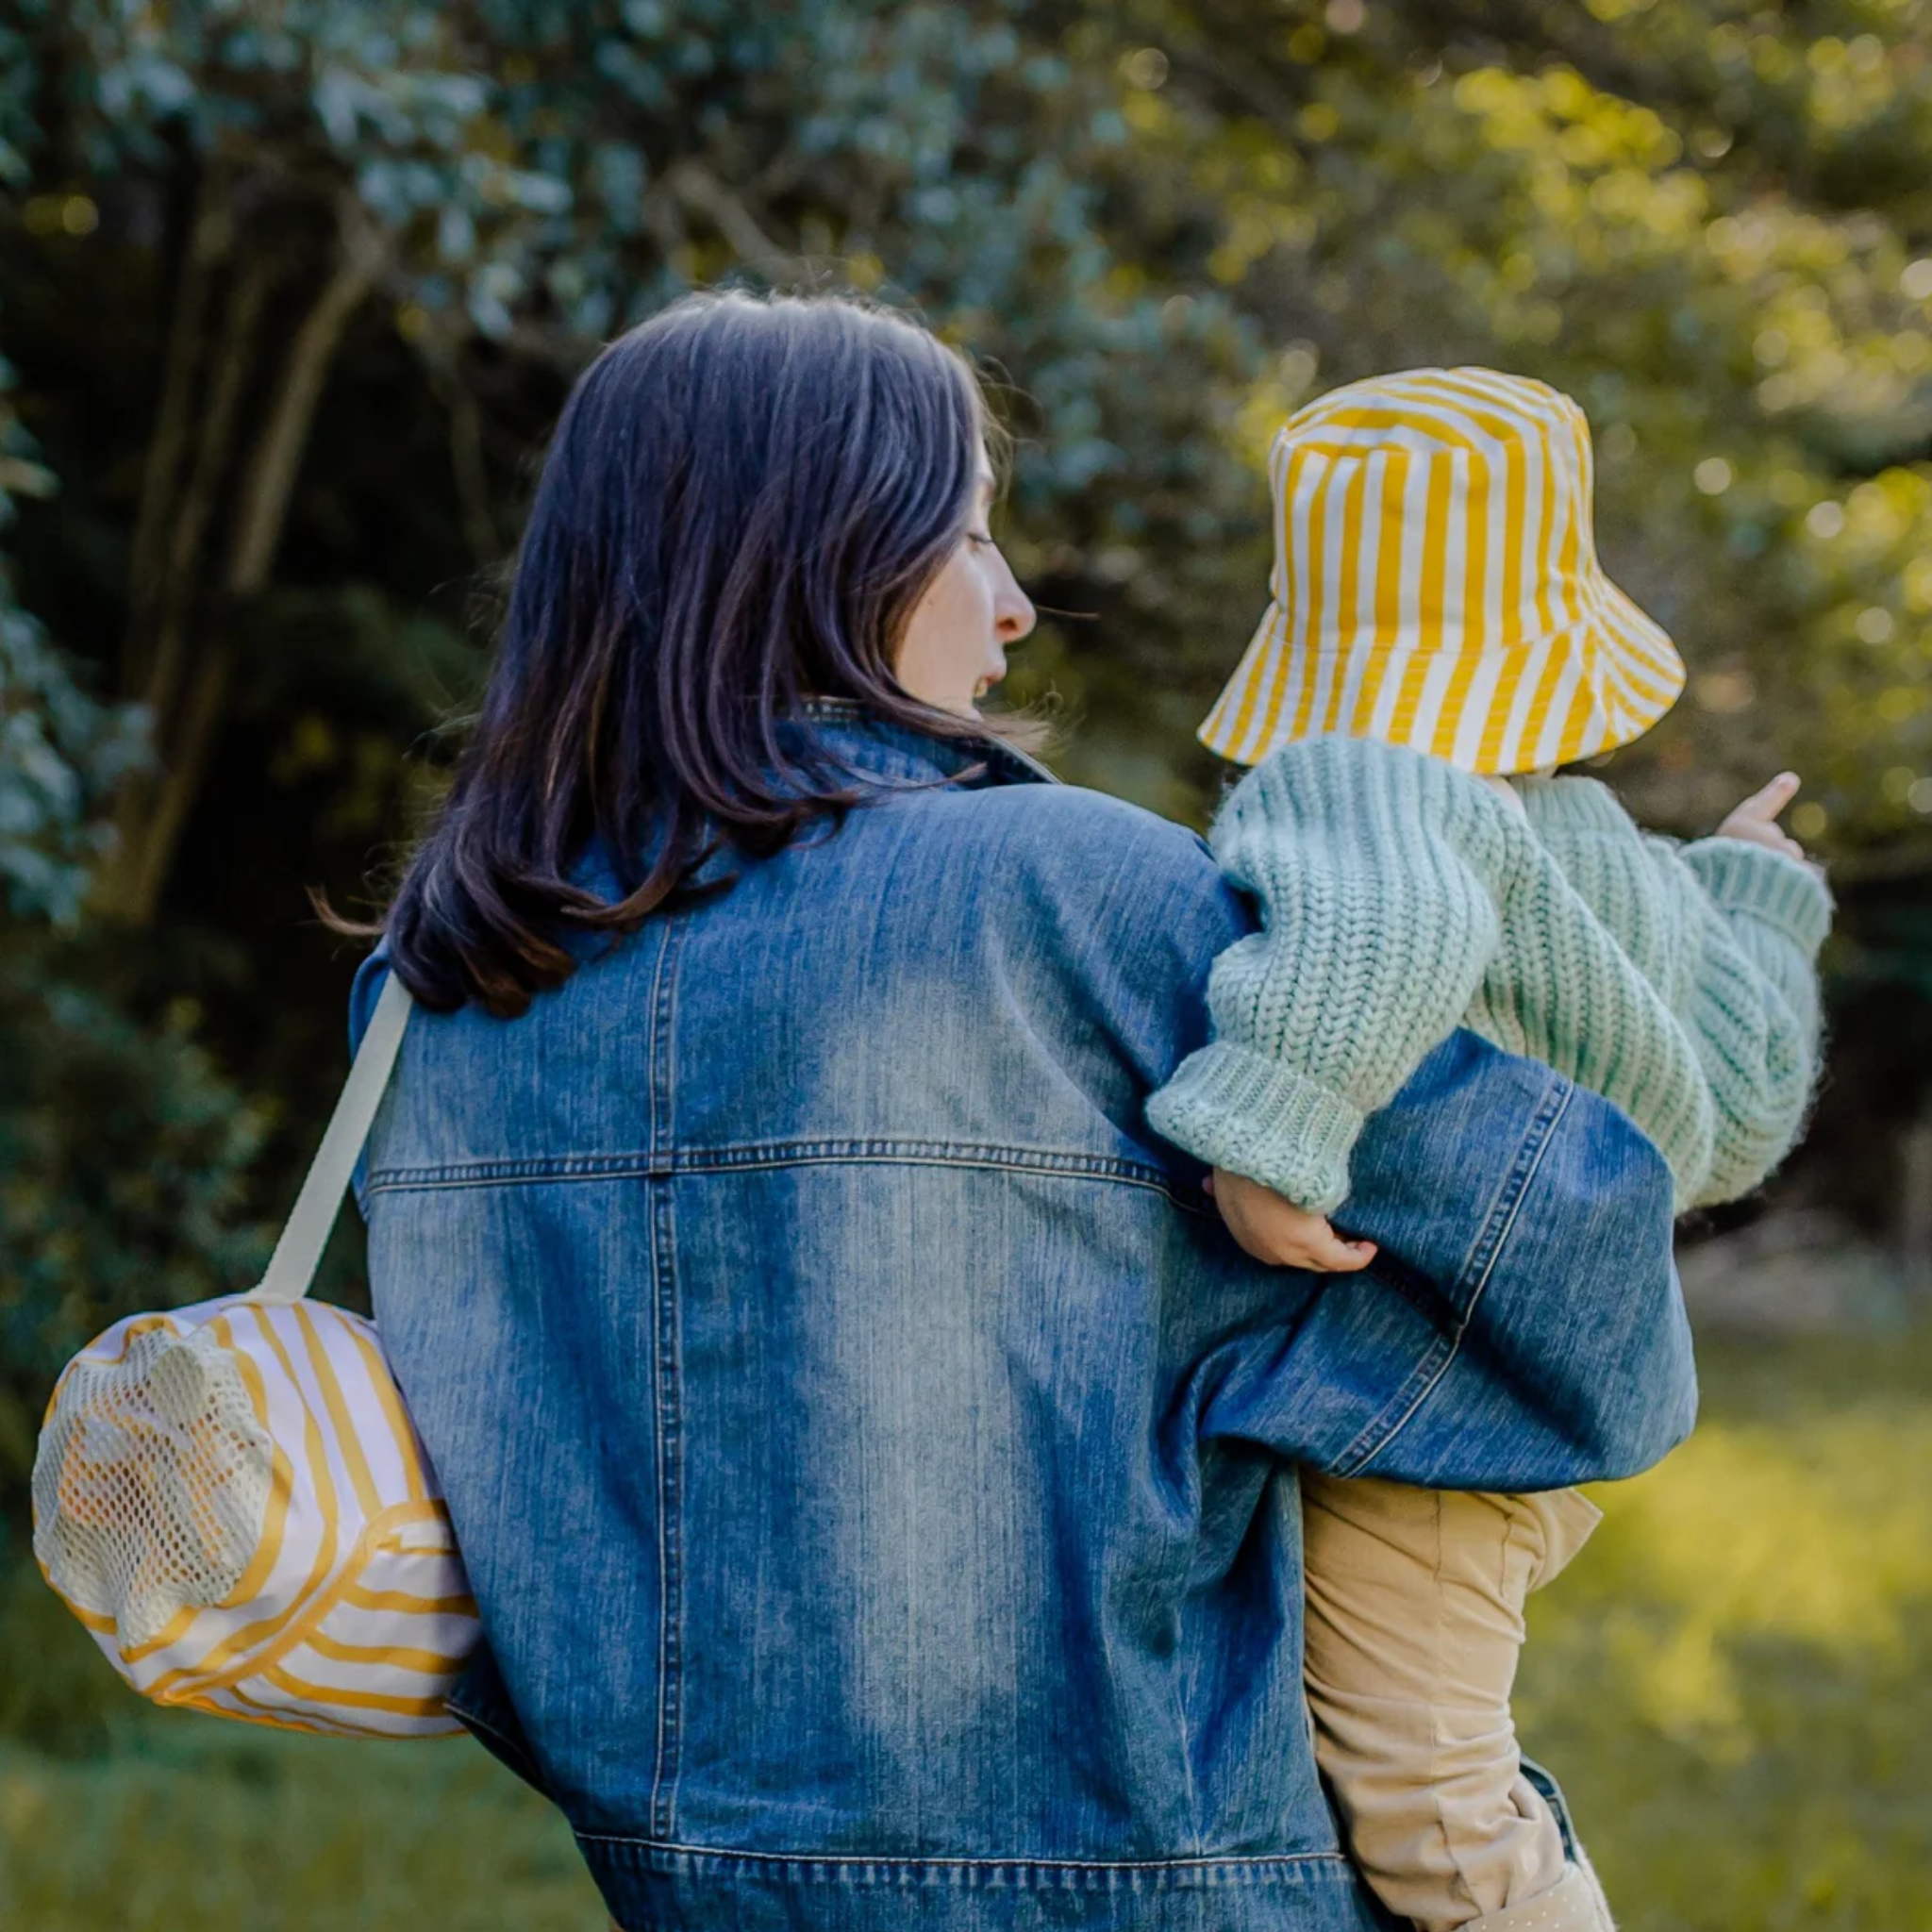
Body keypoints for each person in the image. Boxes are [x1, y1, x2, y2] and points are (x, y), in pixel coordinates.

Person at [344, 293, 1694, 1932]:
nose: (1016, 607)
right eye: (968, 537)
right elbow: (1571, 1254)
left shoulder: (439, 984)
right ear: (826, 554)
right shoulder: (1082, 898)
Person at [1150, 367, 1831, 1932]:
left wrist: (1272, 1126)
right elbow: (1737, 1111)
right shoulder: (1614, 865)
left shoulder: (1374, 781)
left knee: (1433, 1806)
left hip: (1425, 1406)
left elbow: (1387, 923)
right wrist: (1752, 900)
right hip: (1542, 1399)